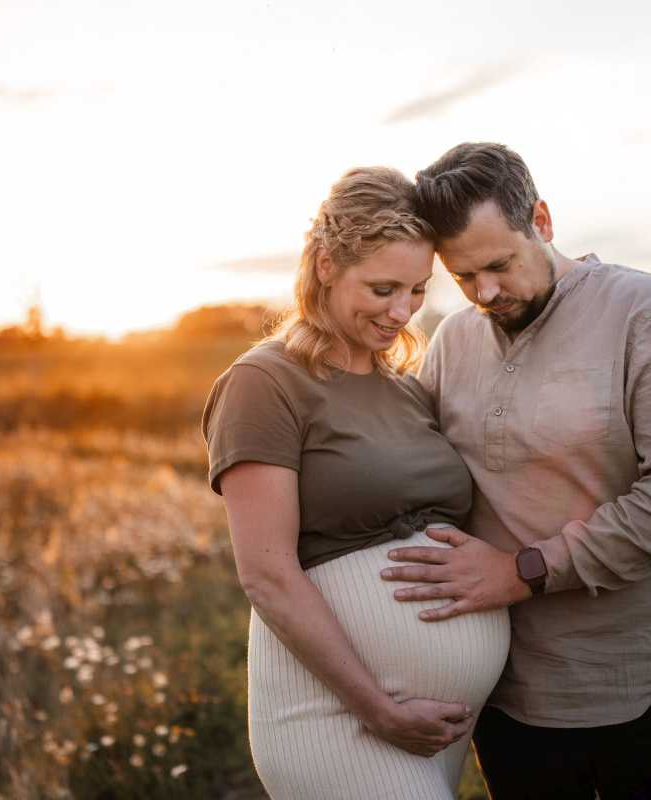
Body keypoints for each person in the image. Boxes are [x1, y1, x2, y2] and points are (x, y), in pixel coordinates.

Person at [381, 142, 651, 799]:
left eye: (499, 265)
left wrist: (523, 571)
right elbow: (417, 476)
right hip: (511, 703)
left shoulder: (643, 312)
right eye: (463, 278)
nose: (485, 292)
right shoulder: (454, 342)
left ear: (541, 220)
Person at [201, 166, 510, 799]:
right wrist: (378, 708)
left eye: (418, 289)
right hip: (339, 714)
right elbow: (266, 574)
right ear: (323, 266)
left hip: (431, 723)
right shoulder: (266, 382)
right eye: (382, 288)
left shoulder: (406, 390)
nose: (402, 311)